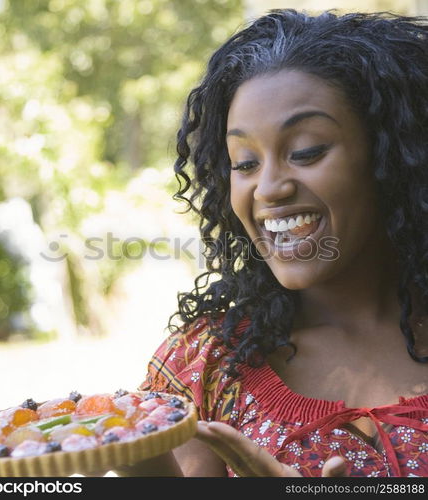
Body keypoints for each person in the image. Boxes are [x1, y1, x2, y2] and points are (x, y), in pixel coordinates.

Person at [117, 9, 428, 477]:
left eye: (305, 152)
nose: (268, 188)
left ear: (391, 156)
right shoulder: (206, 366)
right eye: (244, 162)